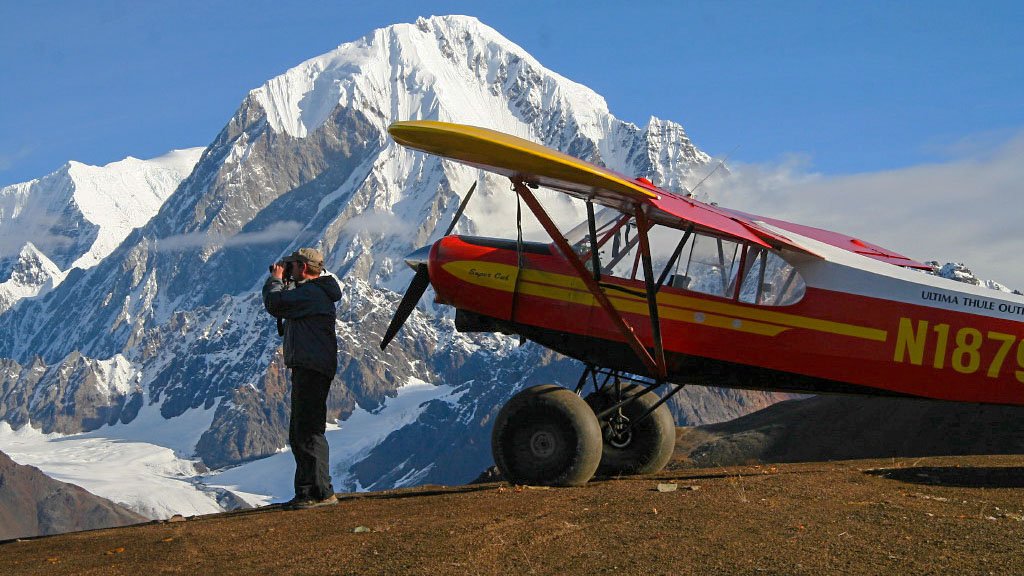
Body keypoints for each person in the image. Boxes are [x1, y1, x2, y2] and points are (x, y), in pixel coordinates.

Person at [263, 247, 342, 509]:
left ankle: (320, 492)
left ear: (304, 268)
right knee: (302, 430)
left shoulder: (312, 293)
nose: (288, 270)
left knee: (308, 430)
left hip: (311, 366)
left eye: (292, 266)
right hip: (311, 365)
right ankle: (308, 491)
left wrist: (275, 281)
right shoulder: (312, 293)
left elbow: (276, 304)